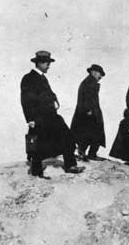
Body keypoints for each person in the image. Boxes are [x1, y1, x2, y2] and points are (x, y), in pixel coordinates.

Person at [20, 51, 85, 179]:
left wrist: (54, 100)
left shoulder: (42, 77)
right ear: (39, 63)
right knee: (38, 144)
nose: (49, 66)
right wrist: (30, 119)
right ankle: (36, 172)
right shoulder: (29, 78)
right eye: (47, 63)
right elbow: (26, 100)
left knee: (67, 136)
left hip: (50, 116)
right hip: (39, 117)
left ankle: (70, 165)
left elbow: (49, 94)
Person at [70, 64, 106, 161]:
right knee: (90, 132)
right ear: (93, 72)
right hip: (89, 112)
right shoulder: (90, 82)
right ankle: (88, 153)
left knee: (88, 133)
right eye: (100, 74)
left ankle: (86, 152)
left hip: (88, 112)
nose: (101, 77)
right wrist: (89, 111)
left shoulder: (89, 81)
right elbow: (87, 98)